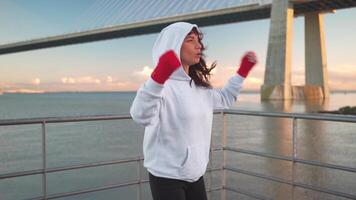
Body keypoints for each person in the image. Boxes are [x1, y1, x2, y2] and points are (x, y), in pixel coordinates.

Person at [130, 22, 257, 200]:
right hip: (167, 177)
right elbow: (140, 114)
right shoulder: (162, 86)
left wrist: (243, 71)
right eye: (190, 40)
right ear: (173, 46)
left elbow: (225, 99)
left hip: (195, 174)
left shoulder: (198, 87)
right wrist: (160, 74)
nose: (199, 45)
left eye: (199, 40)